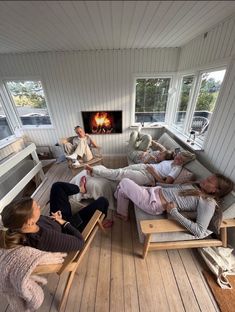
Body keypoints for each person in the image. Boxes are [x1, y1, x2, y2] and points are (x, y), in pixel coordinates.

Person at [0, 180, 110, 253]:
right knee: (103, 201)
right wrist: (63, 222)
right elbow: (80, 243)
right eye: (36, 207)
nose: (39, 206)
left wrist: (56, 218)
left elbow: (44, 222)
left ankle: (81, 189)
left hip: (57, 221)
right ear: (29, 222)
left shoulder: (24, 225)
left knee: (57, 186)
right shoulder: (45, 238)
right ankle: (101, 220)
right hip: (70, 229)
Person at [114, 174, 234, 238]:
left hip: (152, 202)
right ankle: (123, 214)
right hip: (153, 191)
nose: (205, 180)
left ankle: (121, 208)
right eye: (207, 178)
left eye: (209, 181)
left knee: (124, 182)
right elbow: (174, 189)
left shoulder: (208, 203)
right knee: (122, 189)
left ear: (215, 191)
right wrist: (156, 184)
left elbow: (199, 231)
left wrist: (174, 212)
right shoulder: (198, 187)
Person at [85, 150, 196, 186]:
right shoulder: (172, 159)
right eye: (178, 156)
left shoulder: (176, 170)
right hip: (145, 167)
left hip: (148, 176)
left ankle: (94, 170)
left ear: (184, 162)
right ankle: (95, 174)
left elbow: (166, 184)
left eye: (181, 160)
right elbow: (163, 152)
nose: (178, 159)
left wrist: (153, 173)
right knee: (121, 170)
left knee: (120, 173)